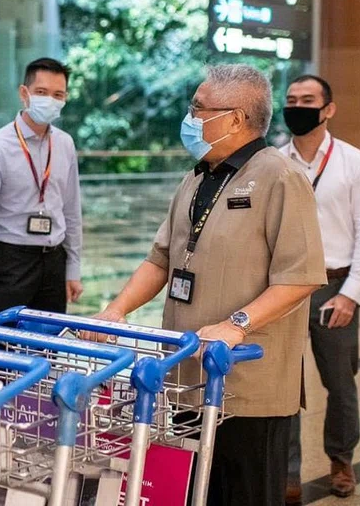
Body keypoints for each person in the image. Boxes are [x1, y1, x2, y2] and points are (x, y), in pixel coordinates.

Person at [86, 64, 326, 506]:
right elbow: (161, 259)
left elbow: (301, 276)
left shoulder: (280, 177)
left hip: (246, 385)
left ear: (235, 118)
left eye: (198, 108)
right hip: (187, 377)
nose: (190, 117)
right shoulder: (198, 175)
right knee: (195, 492)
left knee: (245, 495)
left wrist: (237, 324)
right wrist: (116, 310)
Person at [280, 75, 360, 502]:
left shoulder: (355, 163)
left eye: (308, 100)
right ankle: (287, 472)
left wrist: (351, 294)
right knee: (284, 383)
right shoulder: (274, 161)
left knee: (340, 384)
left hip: (335, 285)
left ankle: (341, 460)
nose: (297, 107)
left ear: (328, 109)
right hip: (284, 289)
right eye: (291, 100)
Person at [0, 57, 83, 319]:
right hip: (11, 262)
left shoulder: (65, 144)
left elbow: (72, 212)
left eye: (58, 95)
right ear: (24, 93)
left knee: (49, 341)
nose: (50, 100)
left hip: (54, 262)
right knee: (4, 342)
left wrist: (73, 270)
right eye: (41, 92)